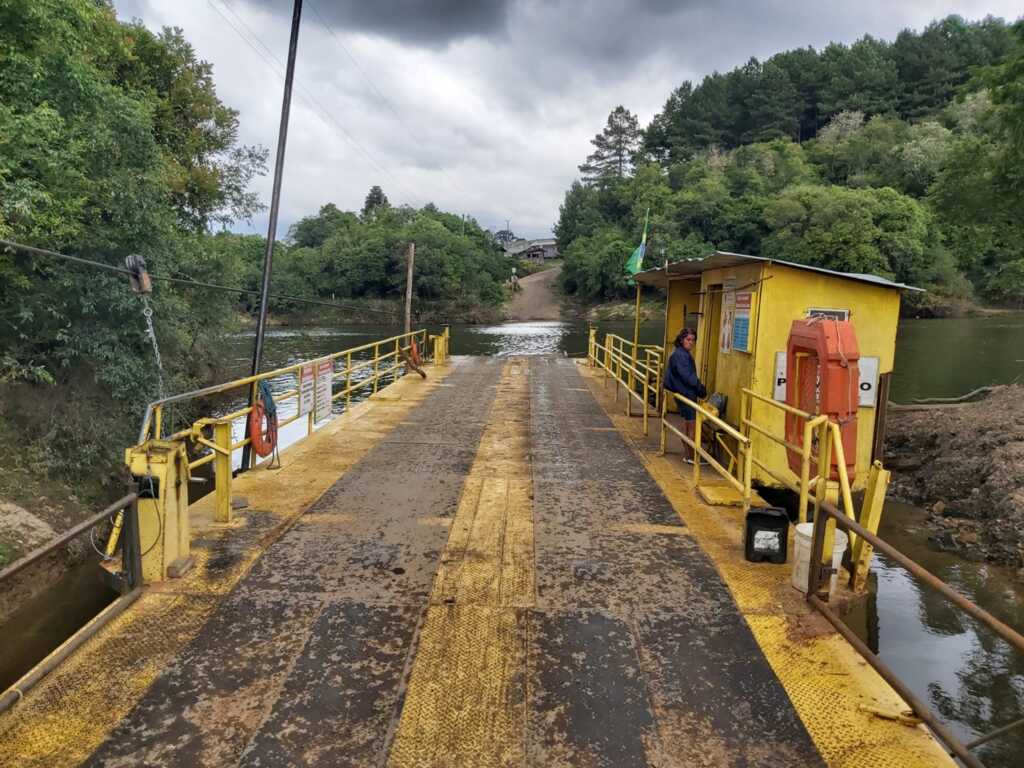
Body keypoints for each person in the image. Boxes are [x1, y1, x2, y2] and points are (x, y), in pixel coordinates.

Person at [663, 328, 707, 461]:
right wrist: (701, 389)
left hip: (682, 393)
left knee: (687, 424)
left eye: (693, 340)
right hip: (686, 394)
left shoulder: (679, 353)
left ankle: (688, 455)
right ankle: (692, 456)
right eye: (688, 339)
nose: (691, 342)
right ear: (681, 340)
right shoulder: (682, 356)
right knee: (692, 425)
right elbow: (687, 376)